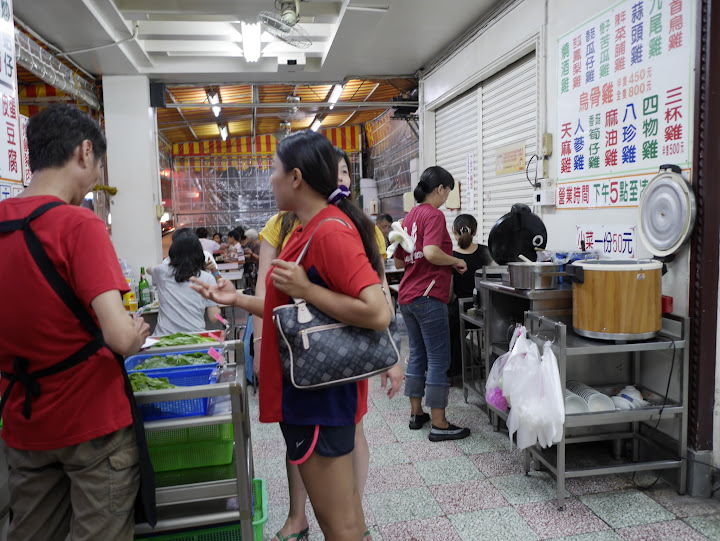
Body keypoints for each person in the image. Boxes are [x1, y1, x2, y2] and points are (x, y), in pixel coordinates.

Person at [191, 132, 397, 541]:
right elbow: (289, 310)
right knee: (345, 519)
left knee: (340, 525)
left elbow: (378, 311)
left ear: (297, 177)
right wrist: (239, 299)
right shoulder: (305, 230)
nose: (270, 179)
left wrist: (307, 290)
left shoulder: (329, 232)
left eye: (274, 170)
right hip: (307, 394)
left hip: (320, 398)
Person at [0, 104, 151, 540]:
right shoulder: (78, 225)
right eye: (99, 164)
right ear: (85, 152)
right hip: (92, 423)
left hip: (25, 421)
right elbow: (120, 336)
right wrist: (137, 330)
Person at [394, 166, 471, 442]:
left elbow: (399, 261)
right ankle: (439, 423)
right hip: (428, 296)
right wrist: (456, 260)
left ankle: (417, 414)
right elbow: (430, 252)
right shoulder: (434, 215)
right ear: (439, 189)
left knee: (417, 355)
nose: (446, 197)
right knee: (439, 359)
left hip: (407, 296)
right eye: (447, 192)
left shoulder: (408, 218)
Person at [448, 214, 493, 381]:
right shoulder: (486, 252)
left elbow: (448, 291)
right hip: (484, 310)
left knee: (447, 324)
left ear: (454, 231)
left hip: (460, 311)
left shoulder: (451, 257)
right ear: (475, 232)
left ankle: (453, 373)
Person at [149, 234, 220, 336]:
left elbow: (148, 269)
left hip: (163, 340)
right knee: (215, 352)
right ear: (199, 254)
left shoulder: (162, 271)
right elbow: (214, 318)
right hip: (195, 340)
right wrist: (218, 307)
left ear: (172, 253)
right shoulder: (208, 278)